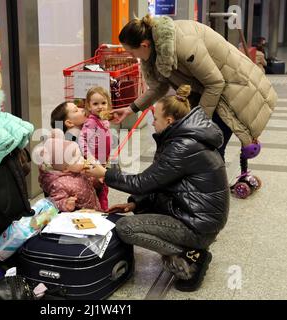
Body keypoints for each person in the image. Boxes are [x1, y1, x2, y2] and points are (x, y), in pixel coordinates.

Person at [86, 85, 229, 292]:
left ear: (169, 121)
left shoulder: (182, 147)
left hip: (197, 225)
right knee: (140, 204)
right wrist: (135, 203)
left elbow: (144, 182)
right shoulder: (185, 139)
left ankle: (191, 255)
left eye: (155, 117)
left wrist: (104, 174)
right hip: (197, 216)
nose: (152, 122)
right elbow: (158, 183)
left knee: (125, 228)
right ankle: (190, 247)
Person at [112, 15, 277, 161]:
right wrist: (130, 109)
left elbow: (215, 83)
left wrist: (199, 122)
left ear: (144, 44)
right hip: (209, 91)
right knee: (201, 147)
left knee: (210, 149)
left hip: (234, 87)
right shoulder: (156, 51)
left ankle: (213, 192)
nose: (132, 57)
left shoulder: (183, 45)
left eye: (131, 53)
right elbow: (158, 87)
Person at [37, 129, 101, 212]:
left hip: (93, 207)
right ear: (66, 169)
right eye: (77, 159)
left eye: (80, 156)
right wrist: (65, 204)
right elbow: (55, 202)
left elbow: (89, 182)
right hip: (81, 216)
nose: (82, 159)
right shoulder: (59, 184)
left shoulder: (78, 171)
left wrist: (97, 178)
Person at [79, 87, 113, 211]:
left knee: (104, 187)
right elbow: (82, 139)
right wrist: (90, 157)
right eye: (95, 104)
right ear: (88, 106)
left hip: (103, 161)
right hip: (94, 163)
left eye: (103, 103)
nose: (100, 107)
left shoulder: (103, 120)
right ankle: (100, 211)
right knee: (96, 188)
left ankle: (104, 210)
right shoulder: (91, 122)